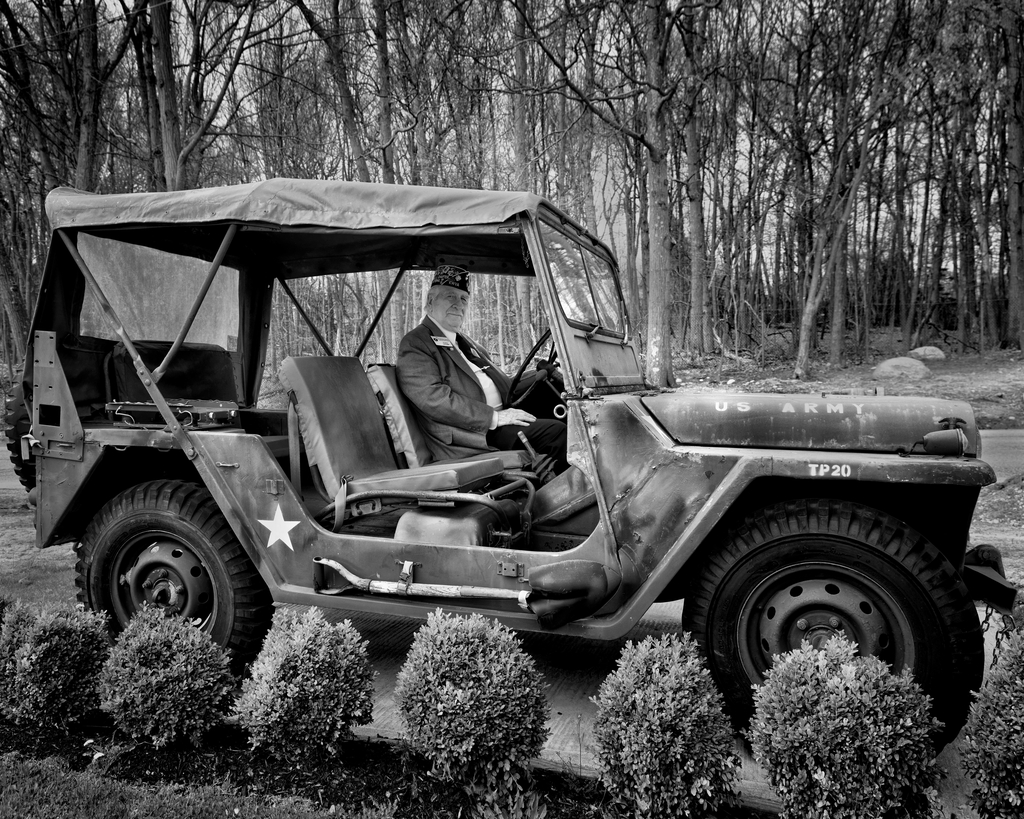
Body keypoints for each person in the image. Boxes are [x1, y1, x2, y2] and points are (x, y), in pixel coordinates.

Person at [397, 264, 568, 476]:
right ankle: (569, 498)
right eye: (450, 297)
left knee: (559, 402)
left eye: (463, 299)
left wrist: (539, 375)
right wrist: (494, 418)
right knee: (556, 433)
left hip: (498, 418)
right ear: (430, 302)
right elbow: (434, 399)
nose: (458, 305)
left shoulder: (466, 343)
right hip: (470, 436)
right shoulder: (416, 343)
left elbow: (504, 384)